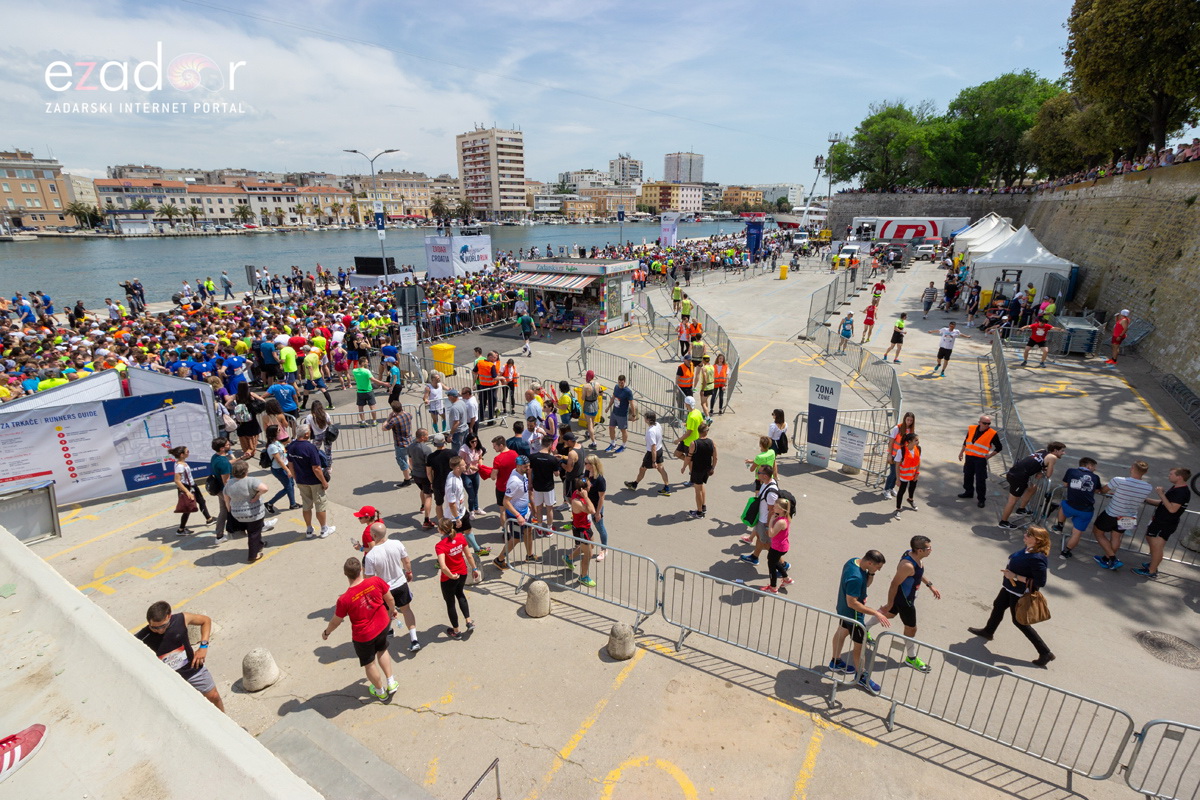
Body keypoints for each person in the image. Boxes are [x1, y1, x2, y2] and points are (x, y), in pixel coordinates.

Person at [968, 527, 1055, 667]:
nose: (1025, 535)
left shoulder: (1038, 558)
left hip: (1020, 593)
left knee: (1019, 622)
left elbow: (1040, 582)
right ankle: (988, 631)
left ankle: (1045, 652)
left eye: (1029, 535)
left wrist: (1014, 576)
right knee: (998, 605)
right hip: (1010, 588)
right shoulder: (1028, 548)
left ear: (1037, 540)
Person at [322, 558, 398, 701]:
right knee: (382, 650)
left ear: (346, 574)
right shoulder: (375, 581)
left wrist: (327, 632)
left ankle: (380, 691)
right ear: (361, 570)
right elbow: (390, 599)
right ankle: (391, 681)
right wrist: (391, 612)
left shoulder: (344, 599)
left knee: (369, 663)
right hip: (383, 625)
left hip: (364, 636)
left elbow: (335, 621)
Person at [868, 536, 940, 672]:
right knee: (911, 629)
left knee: (888, 614)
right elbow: (894, 583)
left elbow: (918, 574)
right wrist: (890, 602)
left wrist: (930, 585)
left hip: (906, 596)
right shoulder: (908, 565)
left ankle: (864, 629)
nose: (931, 550)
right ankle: (911, 659)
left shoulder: (912, 555)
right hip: (905, 601)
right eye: (929, 548)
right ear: (919, 550)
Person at [136, 602, 225, 711]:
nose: (159, 630)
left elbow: (205, 620)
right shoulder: (142, 636)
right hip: (170, 680)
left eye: (163, 626)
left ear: (169, 616)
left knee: (214, 697)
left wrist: (203, 646)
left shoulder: (182, 619)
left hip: (193, 669)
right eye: (154, 627)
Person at [828, 550, 890, 692]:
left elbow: (866, 585)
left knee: (841, 632)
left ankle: (836, 661)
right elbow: (852, 603)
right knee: (860, 647)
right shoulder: (855, 577)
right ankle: (861, 676)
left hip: (843, 610)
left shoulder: (854, 561)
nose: (879, 570)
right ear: (869, 563)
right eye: (878, 567)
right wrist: (876, 613)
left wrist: (872, 573)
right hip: (855, 615)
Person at [363, 523, 422, 653]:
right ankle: (414, 639)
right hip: (401, 583)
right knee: (406, 610)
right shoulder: (397, 544)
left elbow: (369, 578)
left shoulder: (371, 555)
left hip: (384, 589)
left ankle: (388, 632)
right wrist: (409, 572)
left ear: (373, 535)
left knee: (385, 612)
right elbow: (406, 561)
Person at [1092, 460, 1154, 571]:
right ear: (1145, 472)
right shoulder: (1148, 487)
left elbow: (1103, 490)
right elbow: (1133, 494)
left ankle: (1113, 558)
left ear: (1132, 468)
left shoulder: (1118, 480)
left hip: (1112, 513)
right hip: (1130, 516)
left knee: (1098, 532)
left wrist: (1111, 493)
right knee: (1117, 537)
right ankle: (1106, 560)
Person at [1134, 468, 1192, 579]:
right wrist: (1147, 500)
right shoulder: (1177, 488)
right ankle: (1153, 564)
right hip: (1160, 522)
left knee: (1156, 547)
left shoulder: (1181, 492)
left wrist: (1161, 494)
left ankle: (1151, 570)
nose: (1168, 476)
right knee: (1153, 543)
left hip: (1164, 523)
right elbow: (1165, 503)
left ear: (1179, 477)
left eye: (1171, 474)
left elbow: (1172, 509)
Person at [999, 442, 1066, 529]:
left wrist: (1040, 470)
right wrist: (1043, 472)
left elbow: (1034, 462)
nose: (1063, 453)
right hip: (1019, 478)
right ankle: (1003, 522)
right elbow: (1049, 474)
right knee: (1012, 501)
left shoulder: (1042, 451)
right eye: (1062, 451)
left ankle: (1021, 509)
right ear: (1055, 450)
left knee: (1032, 488)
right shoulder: (1052, 457)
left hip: (1015, 472)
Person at [223, 460, 279, 563]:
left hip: (237, 513)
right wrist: (257, 496)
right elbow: (265, 488)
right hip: (253, 513)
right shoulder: (251, 480)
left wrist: (229, 511)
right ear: (245, 471)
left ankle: (260, 544)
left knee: (256, 529)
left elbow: (226, 499)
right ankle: (253, 555)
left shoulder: (229, 483)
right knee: (253, 532)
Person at [287, 424, 335, 539]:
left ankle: (309, 528)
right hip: (314, 481)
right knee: (320, 505)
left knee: (306, 505)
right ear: (307, 434)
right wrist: (324, 482)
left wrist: (296, 478)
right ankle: (324, 529)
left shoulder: (291, 446)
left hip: (301, 481)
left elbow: (290, 465)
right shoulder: (310, 447)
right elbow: (316, 468)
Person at [435, 518, 479, 637]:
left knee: (450, 603)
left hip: (449, 578)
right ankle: (468, 621)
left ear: (441, 530)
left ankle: (456, 631)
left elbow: (443, 567)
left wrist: (451, 576)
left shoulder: (440, 546)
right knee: (460, 594)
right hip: (462, 572)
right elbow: (469, 555)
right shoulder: (460, 537)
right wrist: (474, 569)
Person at [493, 455, 535, 570]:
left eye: (528, 466)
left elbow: (522, 491)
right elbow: (505, 502)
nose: (528, 468)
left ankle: (530, 555)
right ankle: (499, 559)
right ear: (518, 466)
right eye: (526, 466)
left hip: (525, 511)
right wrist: (517, 515)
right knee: (515, 539)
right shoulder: (514, 481)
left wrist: (527, 502)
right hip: (516, 515)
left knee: (528, 531)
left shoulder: (522, 473)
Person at [1054, 457, 1101, 559]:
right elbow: (1097, 491)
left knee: (1063, 504)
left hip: (1070, 505)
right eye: (1094, 467)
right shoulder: (1095, 477)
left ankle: (1059, 525)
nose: (1095, 469)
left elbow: (1065, 484)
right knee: (1076, 533)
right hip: (1086, 510)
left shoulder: (1071, 471)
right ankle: (1066, 552)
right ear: (1089, 466)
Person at [957, 415, 1002, 508]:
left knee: (980, 480)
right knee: (967, 476)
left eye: (989, 424)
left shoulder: (992, 433)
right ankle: (968, 492)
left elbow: (999, 447)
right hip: (969, 457)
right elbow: (966, 442)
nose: (987, 425)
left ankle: (981, 499)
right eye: (985, 423)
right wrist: (961, 452)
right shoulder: (972, 429)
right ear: (979, 422)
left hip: (980, 460)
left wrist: (988, 456)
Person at [739, 466, 781, 565]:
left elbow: (772, 511)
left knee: (768, 545)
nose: (757, 473)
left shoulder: (771, 493)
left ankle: (782, 564)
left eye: (759, 472)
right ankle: (754, 557)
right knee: (759, 538)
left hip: (765, 522)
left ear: (765, 476)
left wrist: (767, 526)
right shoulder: (766, 483)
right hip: (760, 519)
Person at [624, 410, 671, 495]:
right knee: (661, 469)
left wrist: (653, 461)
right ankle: (667, 487)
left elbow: (653, 447)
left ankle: (634, 484)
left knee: (642, 469)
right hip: (660, 450)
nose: (644, 419)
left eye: (645, 418)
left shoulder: (650, 431)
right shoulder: (658, 425)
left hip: (652, 453)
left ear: (648, 420)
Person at [169, 445, 214, 535]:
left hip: (192, 486)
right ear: (182, 455)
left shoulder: (182, 463)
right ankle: (181, 529)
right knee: (187, 508)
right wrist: (187, 492)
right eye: (187, 452)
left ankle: (209, 519)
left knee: (201, 501)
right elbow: (177, 481)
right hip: (187, 487)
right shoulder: (180, 466)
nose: (188, 453)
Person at [563, 483, 598, 588]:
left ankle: (569, 558)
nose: (591, 485)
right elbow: (592, 510)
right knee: (589, 554)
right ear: (582, 489)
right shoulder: (576, 501)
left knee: (591, 546)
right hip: (581, 530)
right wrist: (586, 497)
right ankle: (583, 577)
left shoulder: (578, 494)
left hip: (586, 527)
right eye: (588, 485)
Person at [756, 497, 793, 594]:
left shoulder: (780, 521)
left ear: (781, 509)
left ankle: (773, 587)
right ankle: (786, 579)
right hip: (781, 546)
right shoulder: (785, 518)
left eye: (776, 507)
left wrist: (771, 520)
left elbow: (771, 534)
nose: (773, 509)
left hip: (778, 547)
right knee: (774, 562)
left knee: (772, 565)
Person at [687, 423, 717, 519]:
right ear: (706, 432)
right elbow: (715, 457)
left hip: (697, 470)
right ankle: (703, 507)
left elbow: (688, 457)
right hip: (707, 469)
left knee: (697, 490)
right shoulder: (712, 442)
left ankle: (699, 512)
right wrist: (713, 468)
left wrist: (684, 467)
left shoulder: (694, 443)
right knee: (702, 486)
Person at [382, 400, 415, 488]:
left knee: (402, 460)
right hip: (409, 441)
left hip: (400, 443)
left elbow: (384, 428)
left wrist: (388, 418)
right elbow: (409, 416)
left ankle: (407, 480)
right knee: (409, 458)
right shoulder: (407, 415)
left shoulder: (394, 420)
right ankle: (414, 473)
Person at [883, 412, 915, 499]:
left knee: (897, 473)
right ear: (904, 419)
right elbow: (891, 441)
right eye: (908, 420)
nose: (909, 422)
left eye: (911, 420)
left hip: (902, 456)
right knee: (893, 473)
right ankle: (886, 489)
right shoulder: (897, 428)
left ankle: (891, 488)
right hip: (894, 454)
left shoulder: (911, 430)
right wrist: (889, 454)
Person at [407, 428, 435, 529]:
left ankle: (422, 506)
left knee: (423, 490)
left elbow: (410, 461)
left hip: (415, 474)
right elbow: (429, 467)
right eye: (427, 435)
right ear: (422, 437)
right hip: (425, 476)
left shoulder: (410, 447)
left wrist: (413, 470)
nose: (428, 437)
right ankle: (426, 520)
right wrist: (431, 480)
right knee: (428, 496)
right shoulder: (426, 449)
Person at [584, 455, 609, 561]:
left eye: (586, 463)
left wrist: (598, 513)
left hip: (595, 507)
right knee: (585, 525)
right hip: (586, 504)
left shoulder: (600, 479)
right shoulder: (587, 473)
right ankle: (588, 544)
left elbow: (601, 498)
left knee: (600, 527)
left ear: (592, 465)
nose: (584, 465)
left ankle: (604, 549)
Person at [893, 432, 921, 519]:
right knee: (901, 491)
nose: (918, 442)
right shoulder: (901, 451)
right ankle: (898, 509)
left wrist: (917, 473)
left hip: (913, 475)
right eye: (916, 440)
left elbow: (919, 461)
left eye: (918, 440)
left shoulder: (918, 449)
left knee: (912, 488)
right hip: (904, 476)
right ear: (909, 441)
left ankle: (910, 499)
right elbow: (897, 465)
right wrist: (898, 479)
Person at [605, 374, 635, 452]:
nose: (620, 384)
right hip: (615, 412)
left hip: (622, 414)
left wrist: (633, 415)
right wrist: (608, 407)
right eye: (619, 382)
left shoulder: (628, 391)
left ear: (624, 382)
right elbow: (613, 397)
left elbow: (631, 403)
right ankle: (613, 444)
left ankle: (623, 445)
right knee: (611, 428)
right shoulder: (616, 387)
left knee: (623, 430)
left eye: (622, 383)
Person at [351, 361, 386, 426]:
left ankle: (363, 421)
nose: (368, 363)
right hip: (368, 391)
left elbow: (354, 376)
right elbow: (374, 380)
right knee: (372, 407)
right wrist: (384, 383)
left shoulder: (354, 371)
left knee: (360, 408)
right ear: (363, 363)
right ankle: (374, 421)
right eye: (366, 362)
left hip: (360, 391)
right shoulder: (367, 371)